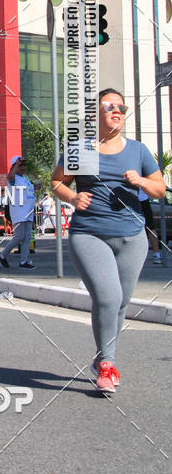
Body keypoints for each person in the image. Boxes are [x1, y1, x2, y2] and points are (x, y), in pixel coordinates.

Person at [51, 88, 165, 393]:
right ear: (94, 115)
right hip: (89, 233)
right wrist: (73, 197)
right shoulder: (81, 149)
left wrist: (141, 181)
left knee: (121, 302)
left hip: (132, 237)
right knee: (108, 297)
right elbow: (56, 182)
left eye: (122, 108)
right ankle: (107, 365)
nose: (117, 111)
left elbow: (160, 190)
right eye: (109, 106)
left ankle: (102, 356)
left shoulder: (138, 151)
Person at [0, 156, 36, 269]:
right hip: (19, 211)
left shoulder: (25, 178)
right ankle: (2, 255)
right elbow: (10, 176)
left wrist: (36, 187)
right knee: (19, 236)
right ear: (14, 166)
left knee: (27, 237)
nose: (23, 167)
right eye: (20, 165)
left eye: (24, 165)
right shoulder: (12, 178)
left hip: (28, 211)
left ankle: (23, 262)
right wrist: (15, 165)